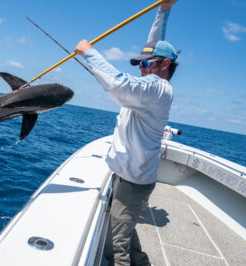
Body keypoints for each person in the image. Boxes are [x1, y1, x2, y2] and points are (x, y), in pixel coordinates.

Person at [74, 1, 178, 265]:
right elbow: (155, 43)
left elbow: (121, 85)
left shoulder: (157, 88)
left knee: (116, 248)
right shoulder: (154, 85)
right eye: (139, 65)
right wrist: (163, 10)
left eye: (146, 65)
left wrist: (89, 52)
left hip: (132, 182)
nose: (141, 69)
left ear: (165, 64)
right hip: (127, 177)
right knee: (123, 227)